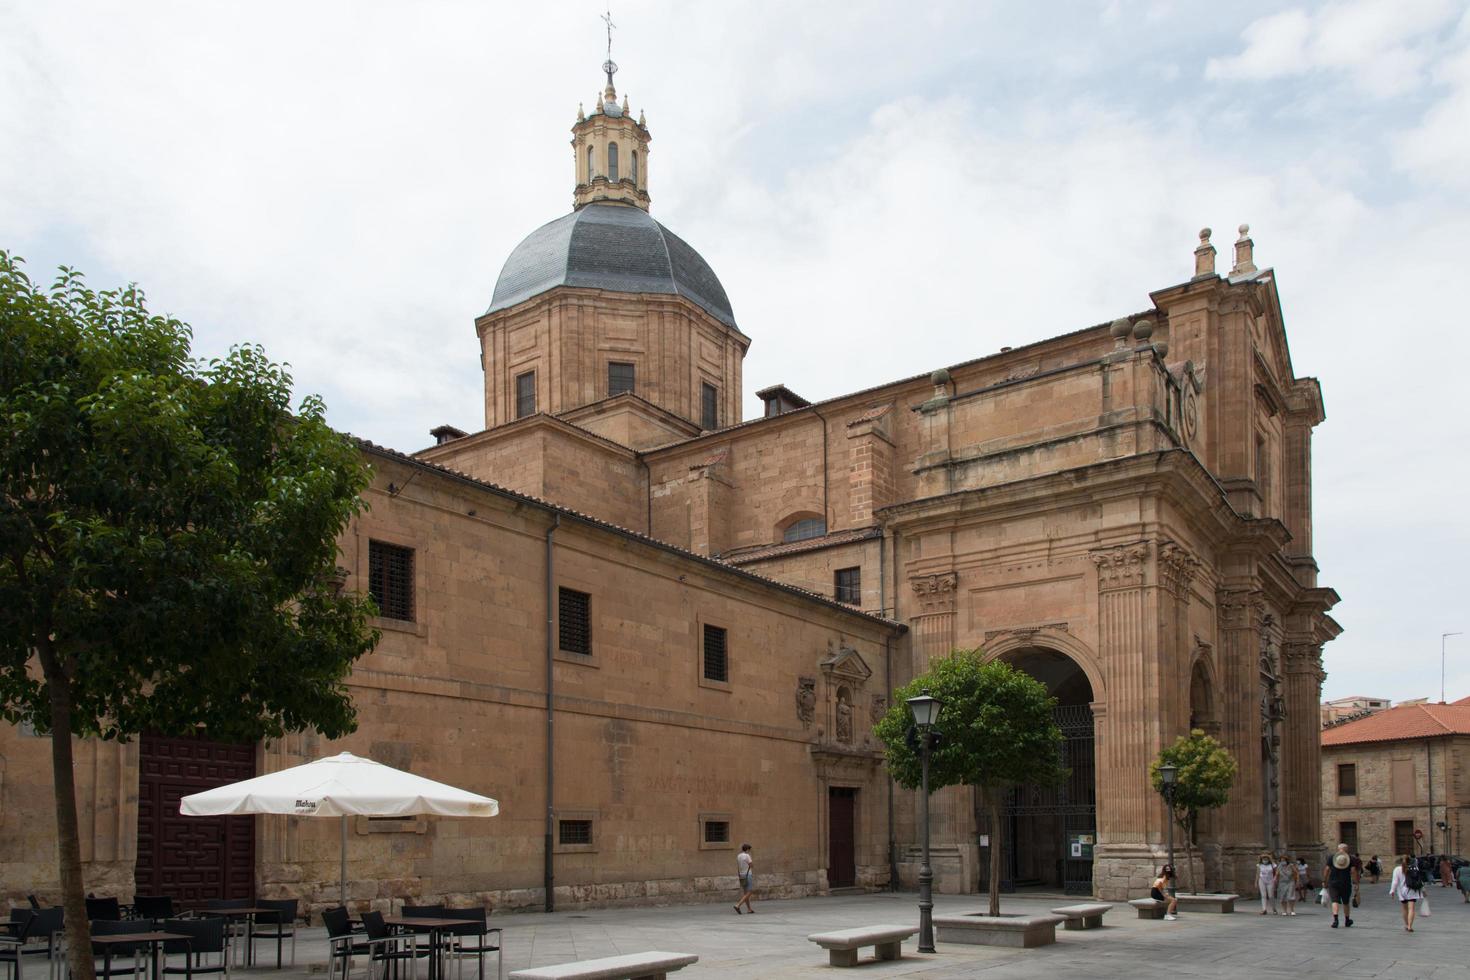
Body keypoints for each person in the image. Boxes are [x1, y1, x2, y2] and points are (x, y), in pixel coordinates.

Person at [1323, 844, 1356, 927]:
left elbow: (1327, 869)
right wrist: (1355, 882)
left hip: (1333, 883)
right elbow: (1353, 871)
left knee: (1334, 901)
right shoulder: (1351, 858)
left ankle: (1335, 920)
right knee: (1346, 902)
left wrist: (1324, 881)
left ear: (1338, 849)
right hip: (1345, 883)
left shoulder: (1331, 857)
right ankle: (1347, 920)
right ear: (1346, 849)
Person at [1389, 854, 1424, 932]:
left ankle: (1406, 924)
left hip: (1402, 892)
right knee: (1411, 908)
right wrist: (1423, 890)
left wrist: (1392, 890)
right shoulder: (1415, 868)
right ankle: (1409, 926)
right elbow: (1419, 880)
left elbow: (1395, 882)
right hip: (1411, 890)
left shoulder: (1397, 869)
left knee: (1404, 908)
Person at [733, 843, 755, 914]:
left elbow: (738, 866)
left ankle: (749, 909)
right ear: (748, 849)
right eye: (749, 850)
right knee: (750, 891)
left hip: (741, 875)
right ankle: (738, 905)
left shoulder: (738, 856)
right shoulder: (747, 856)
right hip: (747, 874)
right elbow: (751, 865)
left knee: (746, 892)